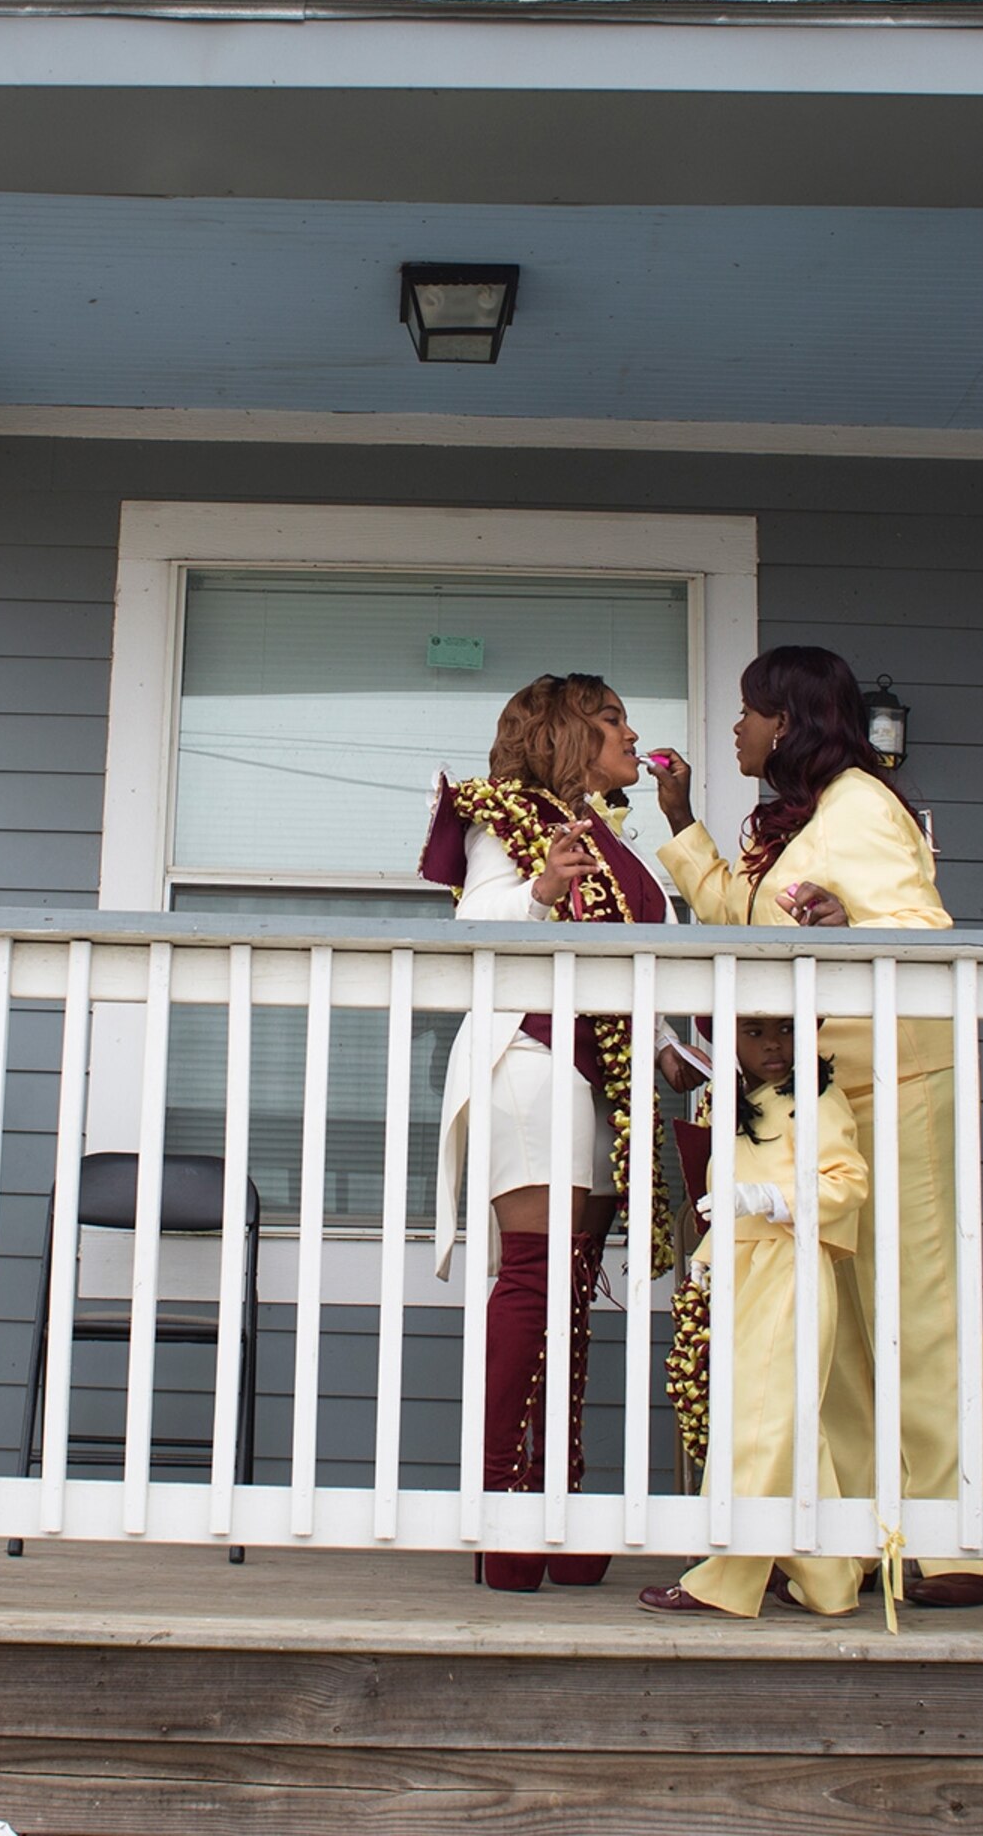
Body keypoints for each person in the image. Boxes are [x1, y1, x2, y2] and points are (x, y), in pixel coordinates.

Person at [648, 645, 983, 1608]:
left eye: (749, 710)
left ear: (792, 719)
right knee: (831, 1324)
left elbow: (926, 934)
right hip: (804, 1096)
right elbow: (746, 915)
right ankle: (862, 1541)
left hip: (889, 1084)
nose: (736, 728)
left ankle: (966, 1545)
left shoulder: (862, 805)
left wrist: (849, 934)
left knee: (915, 1312)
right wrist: (683, 826)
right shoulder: (794, 823)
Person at [423, 673, 671, 1592]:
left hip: (605, 1079)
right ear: (568, 735)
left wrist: (674, 1047)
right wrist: (537, 884)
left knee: (572, 1297)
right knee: (536, 1282)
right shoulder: (508, 816)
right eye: (612, 721)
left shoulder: (614, 837)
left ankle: (558, 1503)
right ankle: (502, 1511)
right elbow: (475, 922)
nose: (630, 732)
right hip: (532, 1057)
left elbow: (648, 962)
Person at [639, 1015, 867, 1617]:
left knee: (760, 1423)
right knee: (787, 1429)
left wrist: (775, 1199)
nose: (772, 1046)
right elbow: (721, 1194)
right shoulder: (731, 1102)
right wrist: (707, 1262)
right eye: (754, 1032)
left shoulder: (815, 1098)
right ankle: (829, 1581)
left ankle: (725, 1579)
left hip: (787, 1266)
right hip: (740, 1273)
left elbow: (847, 1182)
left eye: (786, 1031)